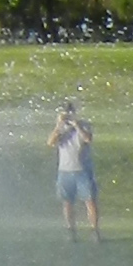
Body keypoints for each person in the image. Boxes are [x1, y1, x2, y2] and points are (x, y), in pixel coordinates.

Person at [50, 101, 99, 242]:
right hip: (65, 171)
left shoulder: (84, 125)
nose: (68, 115)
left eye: (70, 112)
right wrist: (59, 125)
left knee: (90, 201)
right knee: (67, 202)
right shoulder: (60, 129)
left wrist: (76, 125)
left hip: (82, 170)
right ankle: (70, 230)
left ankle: (94, 230)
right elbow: (50, 142)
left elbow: (87, 139)